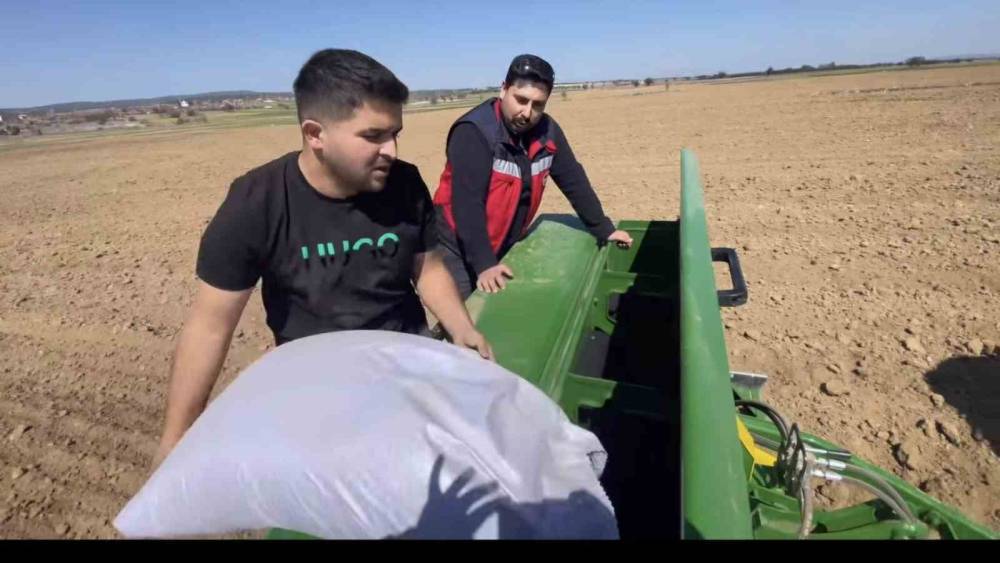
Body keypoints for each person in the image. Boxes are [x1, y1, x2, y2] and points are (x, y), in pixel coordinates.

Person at [152, 49, 491, 467]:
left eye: (395, 133)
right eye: (374, 136)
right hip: (314, 392)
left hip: (405, 368)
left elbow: (428, 266)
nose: (391, 149)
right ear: (316, 134)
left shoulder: (405, 184)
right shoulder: (256, 203)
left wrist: (461, 328)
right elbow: (209, 326)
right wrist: (176, 436)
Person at [433, 53, 633, 298]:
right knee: (463, 319)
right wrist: (485, 264)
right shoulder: (474, 133)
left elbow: (573, 179)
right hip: (455, 248)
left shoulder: (547, 132)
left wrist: (603, 228)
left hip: (503, 242)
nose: (527, 113)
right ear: (503, 89)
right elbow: (467, 205)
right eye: (521, 100)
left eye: (538, 104)